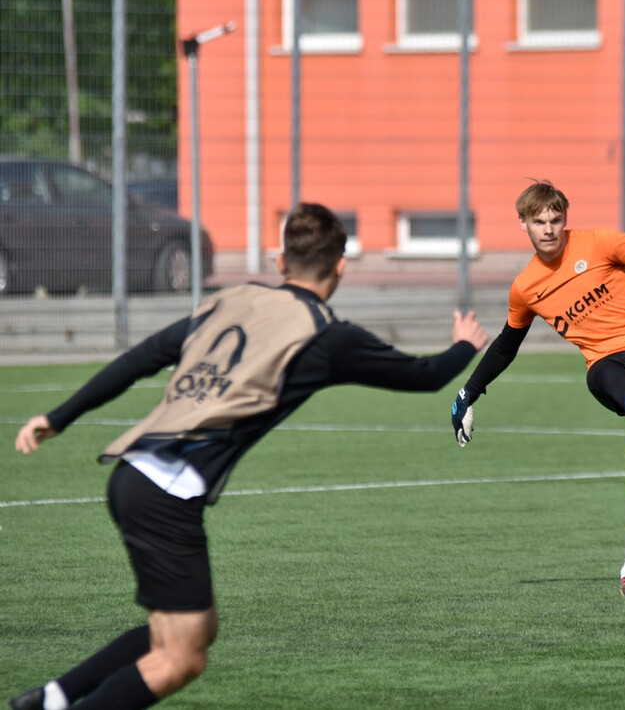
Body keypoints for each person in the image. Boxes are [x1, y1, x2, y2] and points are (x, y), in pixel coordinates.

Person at [9, 202, 488, 710]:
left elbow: (142, 357)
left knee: (189, 631)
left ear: (281, 262)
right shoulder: (328, 337)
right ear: (341, 267)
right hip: (168, 491)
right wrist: (464, 345)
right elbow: (426, 375)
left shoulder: (229, 301)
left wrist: (59, 416)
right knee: (181, 659)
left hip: (133, 472)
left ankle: (51, 699)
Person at [450, 179, 625, 601]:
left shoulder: (600, 243)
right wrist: (468, 392)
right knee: (602, 374)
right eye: (539, 222)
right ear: (524, 225)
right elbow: (506, 345)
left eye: (556, 220)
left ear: (565, 220)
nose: (549, 229)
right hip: (608, 368)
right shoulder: (526, 287)